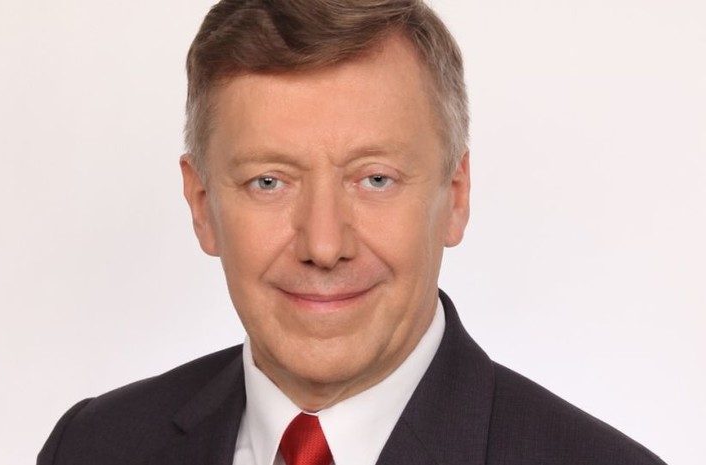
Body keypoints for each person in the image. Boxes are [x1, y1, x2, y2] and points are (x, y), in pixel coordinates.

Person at [38, 1, 666, 464]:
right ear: (202, 206)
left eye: (375, 179)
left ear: (455, 196)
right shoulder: (91, 447)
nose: (323, 245)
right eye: (269, 181)